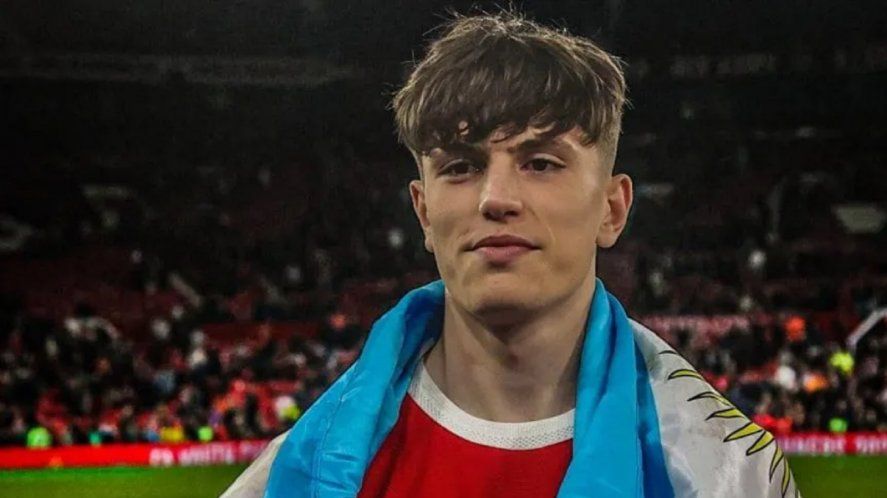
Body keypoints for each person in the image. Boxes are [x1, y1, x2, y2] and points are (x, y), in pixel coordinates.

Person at [222, 10, 801, 498]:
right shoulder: (293, 475)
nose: (495, 198)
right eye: (461, 166)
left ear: (612, 209)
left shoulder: (723, 472)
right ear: (424, 212)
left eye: (541, 162)